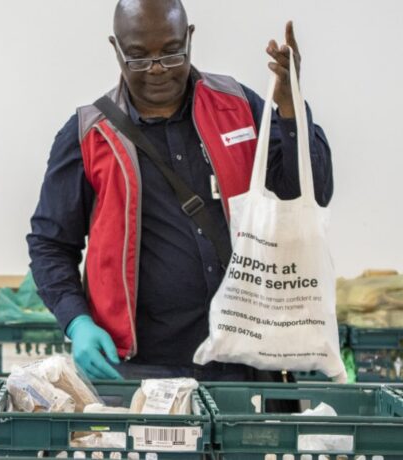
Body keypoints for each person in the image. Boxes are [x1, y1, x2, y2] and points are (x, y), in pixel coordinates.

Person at [28, 0, 333, 383]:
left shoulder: (239, 107)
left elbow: (311, 194)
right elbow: (50, 245)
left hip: (248, 359)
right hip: (140, 367)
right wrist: (77, 321)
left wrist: (291, 112)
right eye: (138, 57)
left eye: (171, 52)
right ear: (116, 48)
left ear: (189, 37)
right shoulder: (89, 135)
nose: (157, 69)